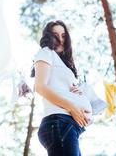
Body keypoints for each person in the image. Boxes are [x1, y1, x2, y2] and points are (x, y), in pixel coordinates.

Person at [33, 20, 92, 156]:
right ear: (48, 37)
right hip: (59, 122)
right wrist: (72, 107)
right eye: (55, 35)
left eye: (64, 35)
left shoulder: (64, 63)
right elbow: (40, 87)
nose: (60, 39)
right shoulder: (46, 52)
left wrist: (79, 94)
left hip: (69, 126)